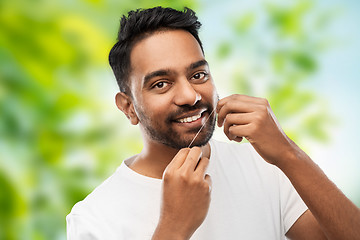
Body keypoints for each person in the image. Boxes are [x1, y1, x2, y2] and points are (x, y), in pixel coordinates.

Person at [66, 7, 360, 240]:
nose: (190, 95)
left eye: (198, 75)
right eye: (161, 84)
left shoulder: (265, 166)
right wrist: (174, 228)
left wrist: (289, 155)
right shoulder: (94, 218)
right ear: (128, 107)